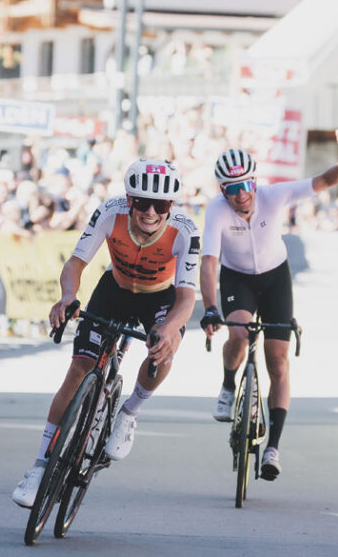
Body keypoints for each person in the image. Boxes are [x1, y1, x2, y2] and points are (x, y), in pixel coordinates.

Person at [12, 158, 200, 508]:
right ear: (128, 200)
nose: (149, 212)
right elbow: (76, 262)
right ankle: (39, 468)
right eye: (141, 203)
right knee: (79, 368)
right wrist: (69, 296)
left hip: (160, 296)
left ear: (170, 206)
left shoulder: (186, 229)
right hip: (114, 289)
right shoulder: (109, 212)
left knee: (164, 348)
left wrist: (167, 328)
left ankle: (129, 413)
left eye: (159, 205)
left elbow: (187, 297)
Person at [199, 125, 338, 482]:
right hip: (237, 278)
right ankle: (228, 384)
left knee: (278, 362)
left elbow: (323, 181)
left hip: (274, 278)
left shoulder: (275, 195)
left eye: (246, 186)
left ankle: (273, 447)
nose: (241, 195)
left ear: (255, 182)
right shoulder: (216, 211)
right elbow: (209, 263)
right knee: (238, 334)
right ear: (222, 190)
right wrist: (210, 307)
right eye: (232, 190)